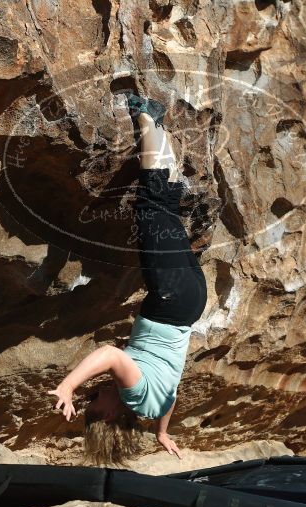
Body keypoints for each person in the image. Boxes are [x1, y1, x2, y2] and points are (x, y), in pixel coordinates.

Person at [47, 93, 208, 465]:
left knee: (164, 205)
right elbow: (109, 355)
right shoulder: (133, 395)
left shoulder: (151, 406)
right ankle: (146, 118)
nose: (95, 394)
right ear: (108, 415)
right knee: (151, 204)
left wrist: (162, 431)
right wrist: (69, 386)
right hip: (170, 299)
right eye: (93, 401)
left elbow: (173, 395)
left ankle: (158, 128)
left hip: (191, 301)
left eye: (88, 396)